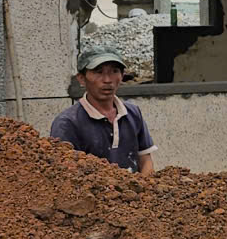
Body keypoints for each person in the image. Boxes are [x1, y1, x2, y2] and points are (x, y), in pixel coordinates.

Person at [51, 41, 157, 173]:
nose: (107, 79)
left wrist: (142, 190)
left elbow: (145, 160)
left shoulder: (132, 113)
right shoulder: (68, 123)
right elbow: (66, 176)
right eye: (98, 72)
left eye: (114, 71)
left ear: (122, 76)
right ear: (82, 79)